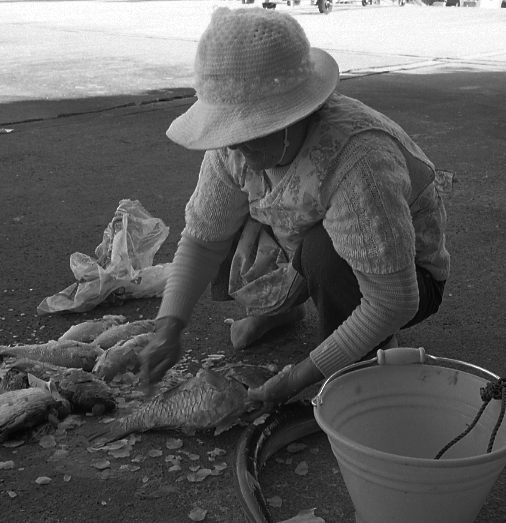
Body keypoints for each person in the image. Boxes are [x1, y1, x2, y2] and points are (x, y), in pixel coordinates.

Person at [139, 8, 449, 410]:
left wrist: (295, 379)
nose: (235, 146)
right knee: (219, 217)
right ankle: (282, 309)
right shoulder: (235, 150)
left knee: (323, 253)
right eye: (229, 133)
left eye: (249, 132)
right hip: (302, 232)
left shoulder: (358, 159)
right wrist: (169, 326)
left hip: (404, 277)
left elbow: (394, 301)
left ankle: (364, 349)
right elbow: (202, 239)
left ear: (295, 114)